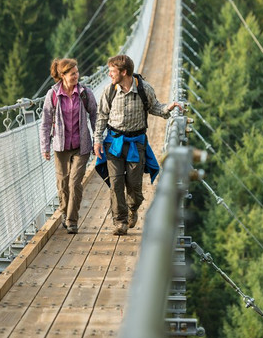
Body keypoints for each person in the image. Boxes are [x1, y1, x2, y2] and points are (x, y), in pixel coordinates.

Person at [93, 55, 182, 235]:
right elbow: (101, 116)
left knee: (134, 185)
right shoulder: (109, 91)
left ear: (124, 72)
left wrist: (168, 108)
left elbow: (154, 107)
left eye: (112, 71)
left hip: (136, 143)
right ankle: (120, 222)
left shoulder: (144, 89)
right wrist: (97, 140)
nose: (109, 74)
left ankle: (133, 209)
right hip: (114, 143)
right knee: (116, 182)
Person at [39, 58, 98, 234]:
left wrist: (98, 140)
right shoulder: (53, 94)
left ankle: (72, 220)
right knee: (63, 184)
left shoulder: (85, 93)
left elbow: (95, 115)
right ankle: (65, 212)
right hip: (60, 145)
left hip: (82, 145)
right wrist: (45, 147)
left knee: (75, 183)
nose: (76, 76)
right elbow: (45, 122)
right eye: (72, 73)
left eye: (77, 72)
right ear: (63, 75)